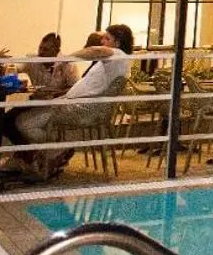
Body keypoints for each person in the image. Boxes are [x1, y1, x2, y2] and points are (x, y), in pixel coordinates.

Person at [10, 24, 136, 174]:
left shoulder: (118, 55)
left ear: (118, 43)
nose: (102, 41)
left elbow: (95, 50)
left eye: (107, 38)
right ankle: (49, 153)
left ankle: (55, 151)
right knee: (23, 119)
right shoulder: (113, 62)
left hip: (80, 108)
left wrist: (67, 58)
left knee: (23, 123)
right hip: (74, 103)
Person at [23, 33, 77, 99]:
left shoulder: (68, 65)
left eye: (46, 50)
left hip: (58, 104)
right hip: (37, 102)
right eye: (40, 48)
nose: (41, 52)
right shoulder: (32, 60)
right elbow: (16, 67)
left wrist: (53, 95)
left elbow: (75, 88)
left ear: (56, 51)